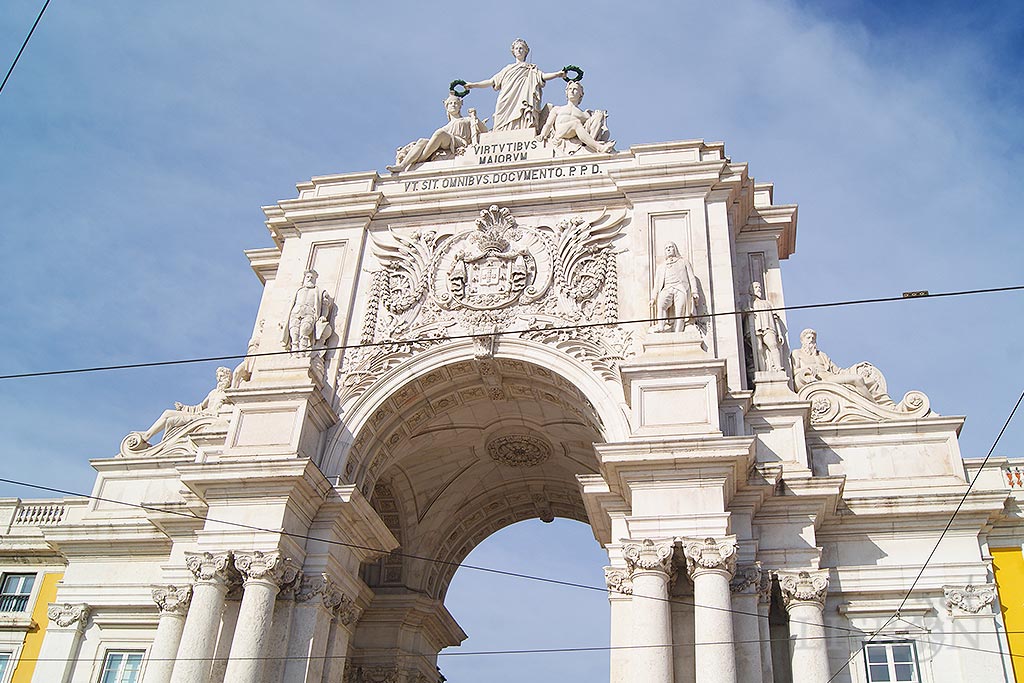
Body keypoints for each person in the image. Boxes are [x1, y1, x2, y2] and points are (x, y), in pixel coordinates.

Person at [464, 38, 565, 132]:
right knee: (501, 118)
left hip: (523, 98)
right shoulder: (508, 69)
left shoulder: (531, 69)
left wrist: (557, 74)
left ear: (526, 51)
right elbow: (491, 81)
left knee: (523, 113)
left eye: (521, 48)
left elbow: (543, 76)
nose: (519, 50)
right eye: (517, 48)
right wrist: (473, 85)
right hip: (507, 98)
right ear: (513, 51)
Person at [387, 94, 488, 173]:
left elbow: (485, 131)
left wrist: (475, 118)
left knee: (440, 133)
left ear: (460, 106)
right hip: (446, 143)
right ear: (447, 107)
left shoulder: (467, 119)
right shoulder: (446, 127)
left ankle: (420, 158)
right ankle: (403, 165)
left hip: (459, 142)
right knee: (422, 140)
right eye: (450, 103)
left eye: (456, 103)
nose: (453, 105)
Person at [139, 367, 231, 443]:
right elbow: (200, 407)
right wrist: (183, 408)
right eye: (218, 377)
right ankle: (147, 435)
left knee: (171, 421)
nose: (219, 379)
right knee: (167, 412)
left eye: (222, 376)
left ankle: (163, 442)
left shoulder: (228, 393)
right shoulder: (213, 392)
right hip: (201, 415)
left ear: (228, 377)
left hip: (209, 417)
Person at [540, 81, 614, 154]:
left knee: (597, 115)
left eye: (575, 89)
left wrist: (601, 116)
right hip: (560, 133)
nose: (572, 91)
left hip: (575, 131)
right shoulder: (557, 109)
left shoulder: (585, 114)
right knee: (576, 123)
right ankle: (599, 147)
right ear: (566, 92)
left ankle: (589, 146)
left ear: (580, 94)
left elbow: (603, 131)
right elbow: (548, 124)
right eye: (570, 89)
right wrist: (542, 135)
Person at [791, 329, 872, 395]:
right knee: (857, 379)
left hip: (830, 377)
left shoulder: (821, 355)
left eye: (813, 338)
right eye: (808, 338)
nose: (811, 340)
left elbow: (838, 371)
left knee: (860, 379)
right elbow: (793, 372)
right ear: (802, 341)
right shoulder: (797, 353)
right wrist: (806, 368)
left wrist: (856, 367)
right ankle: (874, 407)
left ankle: (875, 405)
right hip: (818, 379)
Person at [650, 242, 699, 332]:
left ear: (675, 249)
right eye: (666, 248)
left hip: (680, 288)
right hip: (667, 288)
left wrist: (694, 292)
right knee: (661, 305)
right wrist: (653, 298)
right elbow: (656, 284)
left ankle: (678, 331)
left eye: (671, 247)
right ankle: (661, 327)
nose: (668, 249)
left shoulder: (684, 262)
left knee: (680, 310)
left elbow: (691, 278)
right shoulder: (661, 267)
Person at [283, 269, 332, 353]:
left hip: (309, 313)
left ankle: (303, 352)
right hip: (295, 313)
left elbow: (325, 305)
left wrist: (323, 316)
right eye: (308, 277)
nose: (309, 279)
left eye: (312, 277)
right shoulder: (298, 291)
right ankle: (294, 352)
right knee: (294, 332)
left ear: (315, 279)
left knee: (304, 331)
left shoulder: (320, 292)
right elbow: (290, 305)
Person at [745, 282, 784, 372]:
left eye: (759, 287)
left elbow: (775, 318)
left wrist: (780, 333)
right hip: (754, 327)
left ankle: (778, 367)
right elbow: (742, 315)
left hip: (768, 326)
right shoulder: (749, 303)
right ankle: (761, 370)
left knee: (773, 345)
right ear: (751, 290)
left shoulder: (767, 303)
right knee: (758, 349)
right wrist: (747, 311)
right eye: (756, 287)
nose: (759, 289)